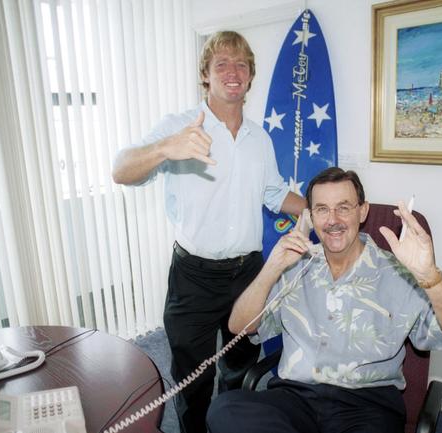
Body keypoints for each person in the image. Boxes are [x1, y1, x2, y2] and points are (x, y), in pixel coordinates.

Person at [112, 31, 305, 433]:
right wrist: (164, 149)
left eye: (241, 65)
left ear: (250, 76)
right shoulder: (180, 128)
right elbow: (121, 169)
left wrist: (323, 210)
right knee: (192, 382)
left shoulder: (260, 140)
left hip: (248, 275)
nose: (232, 72)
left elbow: (274, 194)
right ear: (206, 75)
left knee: (239, 373)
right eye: (222, 64)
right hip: (193, 278)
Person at [206, 167, 442, 433]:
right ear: (310, 217)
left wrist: (431, 277)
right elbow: (239, 325)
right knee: (225, 410)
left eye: (344, 207)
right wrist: (271, 268)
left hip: (368, 404)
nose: (333, 219)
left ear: (363, 211)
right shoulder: (294, 266)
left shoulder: (400, 274)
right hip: (296, 398)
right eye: (322, 209)